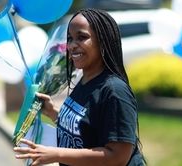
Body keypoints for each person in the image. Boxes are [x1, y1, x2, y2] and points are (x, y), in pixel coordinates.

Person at [13, 8, 145, 166]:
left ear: (103, 41)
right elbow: (84, 129)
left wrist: (57, 154)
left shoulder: (115, 91)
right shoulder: (85, 79)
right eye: (70, 38)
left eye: (82, 37)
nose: (72, 45)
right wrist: (53, 112)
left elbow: (117, 157)